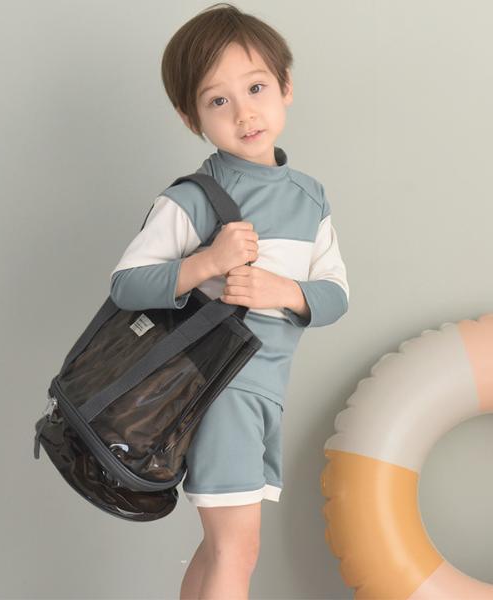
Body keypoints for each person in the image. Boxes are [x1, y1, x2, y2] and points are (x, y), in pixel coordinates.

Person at [109, 3, 349, 598]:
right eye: (218, 100)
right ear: (190, 117)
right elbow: (126, 284)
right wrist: (207, 263)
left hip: (267, 392)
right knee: (235, 550)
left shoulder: (311, 197)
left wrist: (284, 292)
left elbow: (335, 293)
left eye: (256, 88)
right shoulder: (194, 198)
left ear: (286, 86)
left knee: (222, 549)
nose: (244, 112)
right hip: (220, 389)